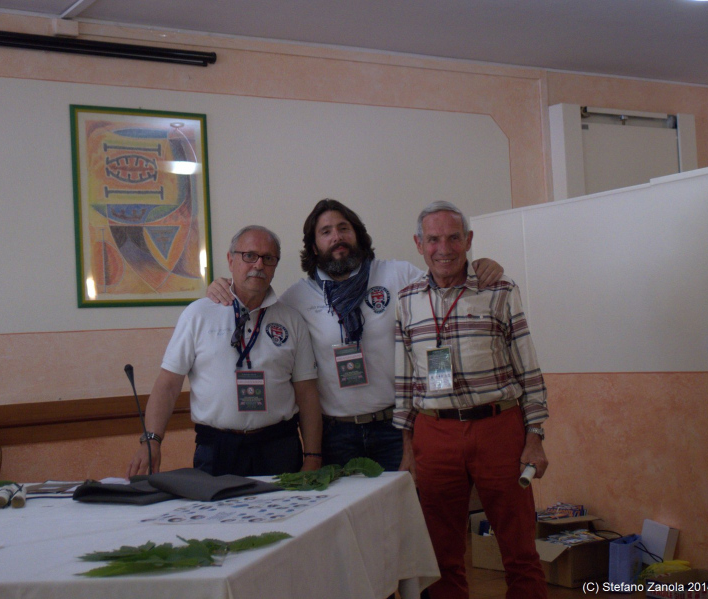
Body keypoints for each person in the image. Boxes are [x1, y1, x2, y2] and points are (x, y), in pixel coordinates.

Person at [207, 199, 503, 472]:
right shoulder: (297, 298)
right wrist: (225, 287)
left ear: (358, 235)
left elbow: (446, 283)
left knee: (406, 507)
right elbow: (258, 308)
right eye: (325, 232)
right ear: (313, 246)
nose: (336, 237)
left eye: (343, 228)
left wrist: (478, 266)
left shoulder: (396, 275)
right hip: (335, 435)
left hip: (396, 428)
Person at [394, 201, 549, 599]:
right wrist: (408, 448)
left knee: (519, 548)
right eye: (433, 239)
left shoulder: (500, 290)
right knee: (441, 554)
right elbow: (405, 382)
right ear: (419, 244)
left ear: (468, 240)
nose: (443, 248)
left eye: (453, 237)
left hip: (499, 428)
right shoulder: (407, 300)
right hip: (434, 433)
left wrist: (535, 437)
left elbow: (528, 368)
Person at [127, 225, 322, 478]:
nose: (259, 265)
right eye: (249, 255)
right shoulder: (198, 314)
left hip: (279, 446)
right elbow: (168, 384)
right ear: (230, 260)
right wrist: (151, 441)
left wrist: (313, 456)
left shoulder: (292, 320)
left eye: (268, 258)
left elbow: (307, 393)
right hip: (217, 449)